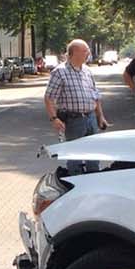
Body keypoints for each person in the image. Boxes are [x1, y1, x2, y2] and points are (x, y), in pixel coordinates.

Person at [45, 39, 109, 174]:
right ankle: (76, 185)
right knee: (75, 156)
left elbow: (95, 96)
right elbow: (49, 97)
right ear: (74, 53)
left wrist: (100, 116)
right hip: (74, 120)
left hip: (91, 118)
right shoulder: (60, 72)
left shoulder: (87, 71)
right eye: (85, 51)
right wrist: (54, 119)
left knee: (94, 155)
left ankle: (93, 181)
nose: (88, 54)